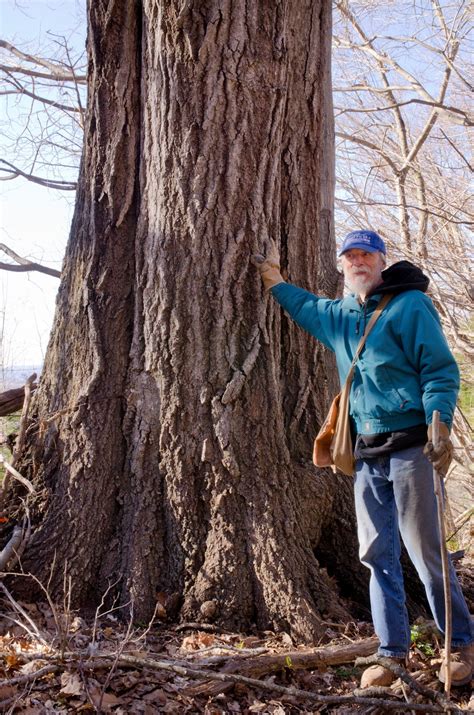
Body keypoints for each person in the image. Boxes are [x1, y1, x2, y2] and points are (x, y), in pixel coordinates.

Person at [255, 229, 473, 687]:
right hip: (366, 453)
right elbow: (304, 307)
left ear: (381, 261)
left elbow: (439, 369)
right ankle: (392, 653)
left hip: (413, 446)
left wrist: (440, 422)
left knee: (426, 552)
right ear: (342, 266)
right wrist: (273, 278)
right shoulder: (339, 315)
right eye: (351, 255)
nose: (358, 261)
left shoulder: (409, 306)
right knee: (377, 555)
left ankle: (460, 645)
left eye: (366, 255)